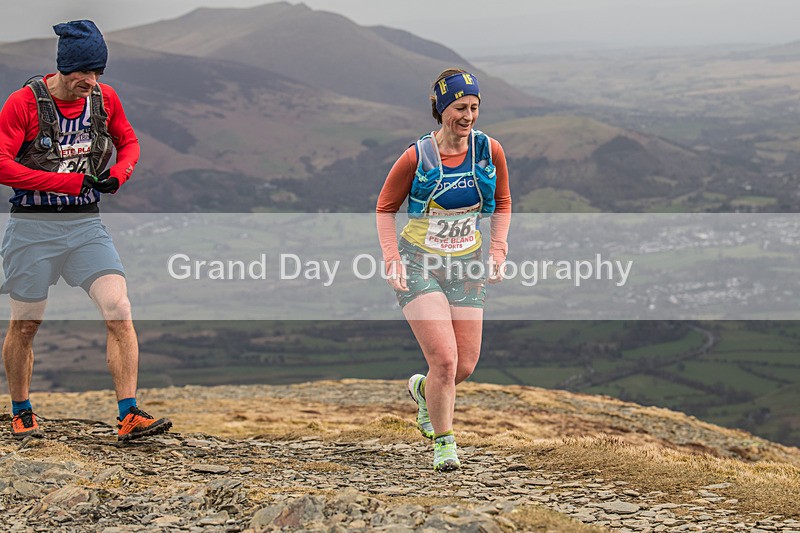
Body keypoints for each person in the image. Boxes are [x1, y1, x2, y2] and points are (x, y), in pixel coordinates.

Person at [0, 20, 171, 441]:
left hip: (85, 226)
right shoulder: (23, 104)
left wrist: (119, 174)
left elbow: (129, 143)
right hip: (32, 227)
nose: (91, 81)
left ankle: (129, 414)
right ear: (64, 66)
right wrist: (67, 183)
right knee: (26, 324)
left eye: (98, 72)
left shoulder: (104, 99)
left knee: (119, 309)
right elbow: (2, 165)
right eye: (84, 72)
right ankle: (21, 410)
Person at [376, 69, 511, 471]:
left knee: (463, 365)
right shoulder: (417, 157)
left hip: (467, 263)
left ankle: (423, 391)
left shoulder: (489, 150)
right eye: (459, 107)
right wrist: (391, 258)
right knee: (445, 361)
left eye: (474, 107)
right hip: (419, 263)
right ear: (440, 109)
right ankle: (444, 444)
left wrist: (498, 250)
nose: (468, 116)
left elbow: (503, 202)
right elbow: (385, 208)